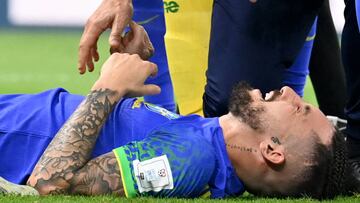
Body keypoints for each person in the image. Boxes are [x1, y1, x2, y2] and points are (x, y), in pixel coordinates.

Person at [0, 24, 349, 199]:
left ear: (272, 151)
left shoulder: (191, 158)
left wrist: (108, 87)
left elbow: (51, 182)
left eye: (301, 110)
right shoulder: (203, 141)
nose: (290, 93)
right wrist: (131, 69)